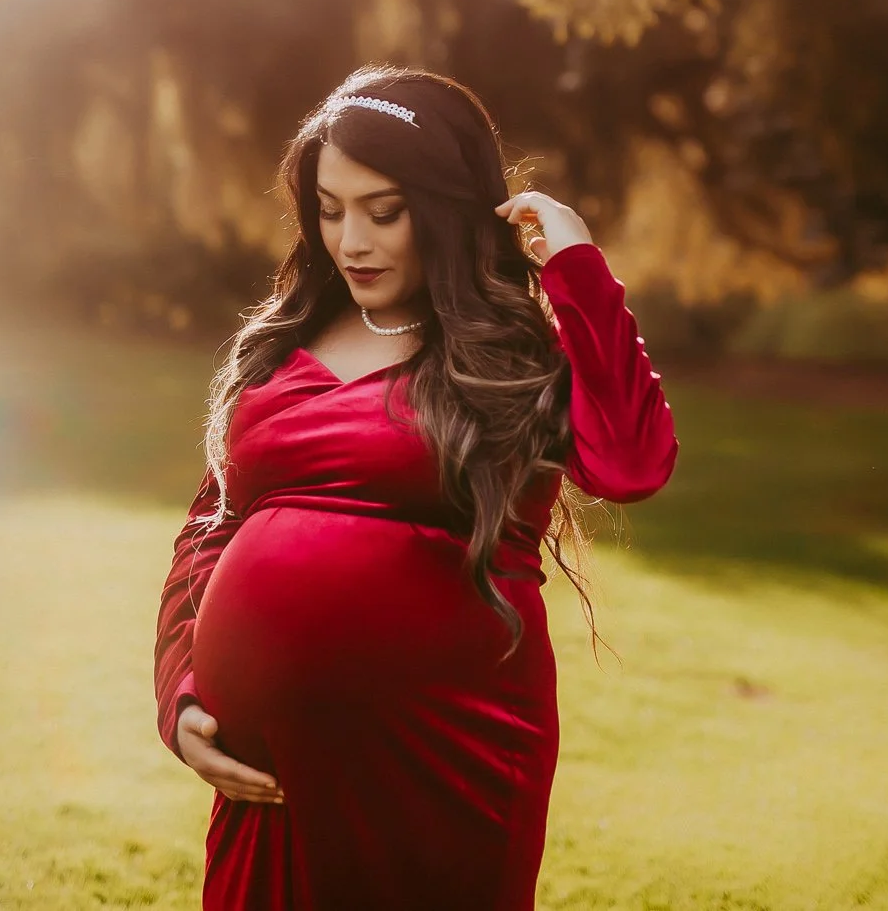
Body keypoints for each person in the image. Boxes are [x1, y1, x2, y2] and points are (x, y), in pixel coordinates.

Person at [152, 67, 679, 910]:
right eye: (329, 210)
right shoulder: (283, 341)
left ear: (443, 206)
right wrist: (180, 692)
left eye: (383, 212)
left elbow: (631, 462)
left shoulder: (510, 355)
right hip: (270, 782)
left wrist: (576, 266)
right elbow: (211, 527)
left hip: (446, 758)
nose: (350, 241)